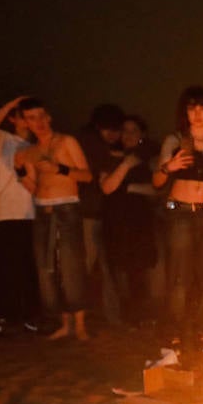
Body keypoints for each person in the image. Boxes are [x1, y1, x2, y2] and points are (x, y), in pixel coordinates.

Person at [152, 86, 203, 347]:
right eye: (192, 108)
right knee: (179, 274)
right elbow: (156, 181)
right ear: (184, 112)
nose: (197, 114)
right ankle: (175, 328)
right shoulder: (175, 141)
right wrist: (169, 167)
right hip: (181, 213)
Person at [15, 97, 93, 340]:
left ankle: (80, 325)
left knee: (71, 265)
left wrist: (60, 169)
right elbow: (31, 185)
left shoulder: (66, 142)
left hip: (66, 207)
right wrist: (20, 170)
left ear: (48, 117)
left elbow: (87, 176)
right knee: (47, 268)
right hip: (42, 210)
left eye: (40, 116)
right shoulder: (30, 151)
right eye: (31, 118)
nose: (37, 122)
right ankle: (64, 323)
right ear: (26, 123)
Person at [0, 96, 41, 334]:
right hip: (5, 212)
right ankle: (4, 315)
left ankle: (31, 315)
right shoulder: (4, 140)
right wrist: (12, 102)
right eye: (24, 116)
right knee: (5, 268)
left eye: (32, 116)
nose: (28, 121)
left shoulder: (39, 146)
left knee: (30, 268)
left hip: (33, 213)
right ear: (13, 119)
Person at [99, 115, 158, 325]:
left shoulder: (149, 158)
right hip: (116, 221)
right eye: (125, 130)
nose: (129, 135)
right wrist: (125, 164)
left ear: (142, 134)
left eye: (134, 130)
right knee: (118, 269)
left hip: (140, 220)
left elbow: (157, 189)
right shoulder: (112, 157)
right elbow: (107, 187)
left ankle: (139, 316)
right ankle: (122, 316)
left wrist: (129, 188)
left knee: (139, 270)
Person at [75, 103, 125, 326]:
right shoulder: (90, 144)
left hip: (101, 215)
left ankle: (93, 316)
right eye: (109, 129)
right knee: (86, 267)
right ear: (98, 127)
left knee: (102, 268)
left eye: (117, 129)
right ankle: (79, 318)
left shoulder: (92, 143)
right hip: (89, 213)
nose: (114, 134)